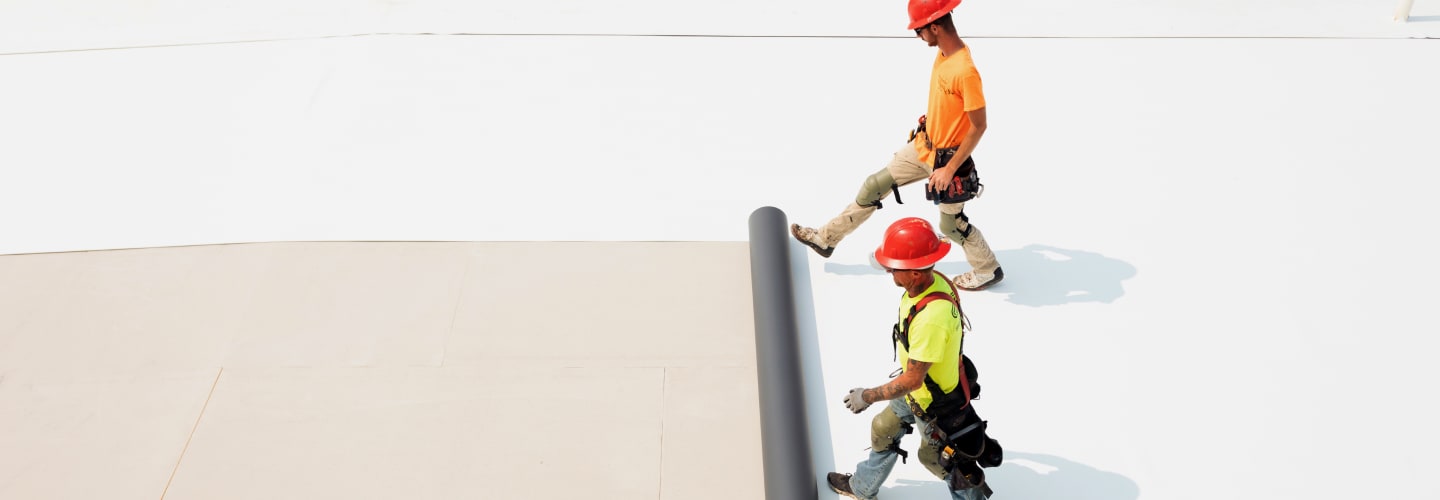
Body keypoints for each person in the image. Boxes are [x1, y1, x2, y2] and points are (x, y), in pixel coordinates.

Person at [791, 0, 1004, 291]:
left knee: (950, 227)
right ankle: (826, 239)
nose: (918, 36)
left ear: (934, 26)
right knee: (872, 185)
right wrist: (935, 118)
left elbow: (979, 126)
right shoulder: (943, 54)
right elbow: (950, 104)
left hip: (948, 162)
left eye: (919, 30)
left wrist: (949, 170)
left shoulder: (965, 70)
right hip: (923, 146)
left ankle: (988, 269)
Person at [827, 217, 1001, 500]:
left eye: (894, 268)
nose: (889, 272)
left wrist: (867, 396)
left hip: (935, 403)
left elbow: (912, 379)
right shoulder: (929, 284)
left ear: (916, 273)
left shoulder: (931, 318)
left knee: (941, 461)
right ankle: (862, 488)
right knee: (883, 429)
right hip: (918, 390)